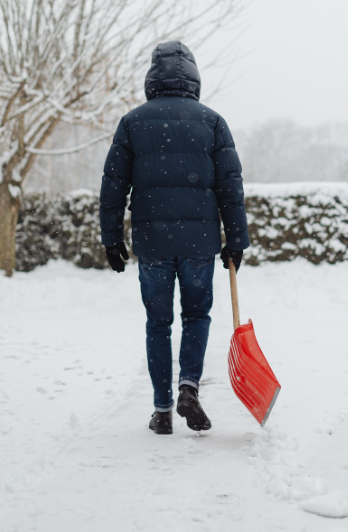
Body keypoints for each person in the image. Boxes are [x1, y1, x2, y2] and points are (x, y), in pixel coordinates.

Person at [99, 41, 249, 435]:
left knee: (158, 324)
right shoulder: (213, 122)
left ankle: (163, 410)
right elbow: (231, 188)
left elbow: (113, 187)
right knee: (197, 315)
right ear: (194, 77)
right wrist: (236, 240)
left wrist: (111, 238)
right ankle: (188, 386)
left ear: (152, 76)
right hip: (199, 242)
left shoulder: (132, 123)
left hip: (153, 243)